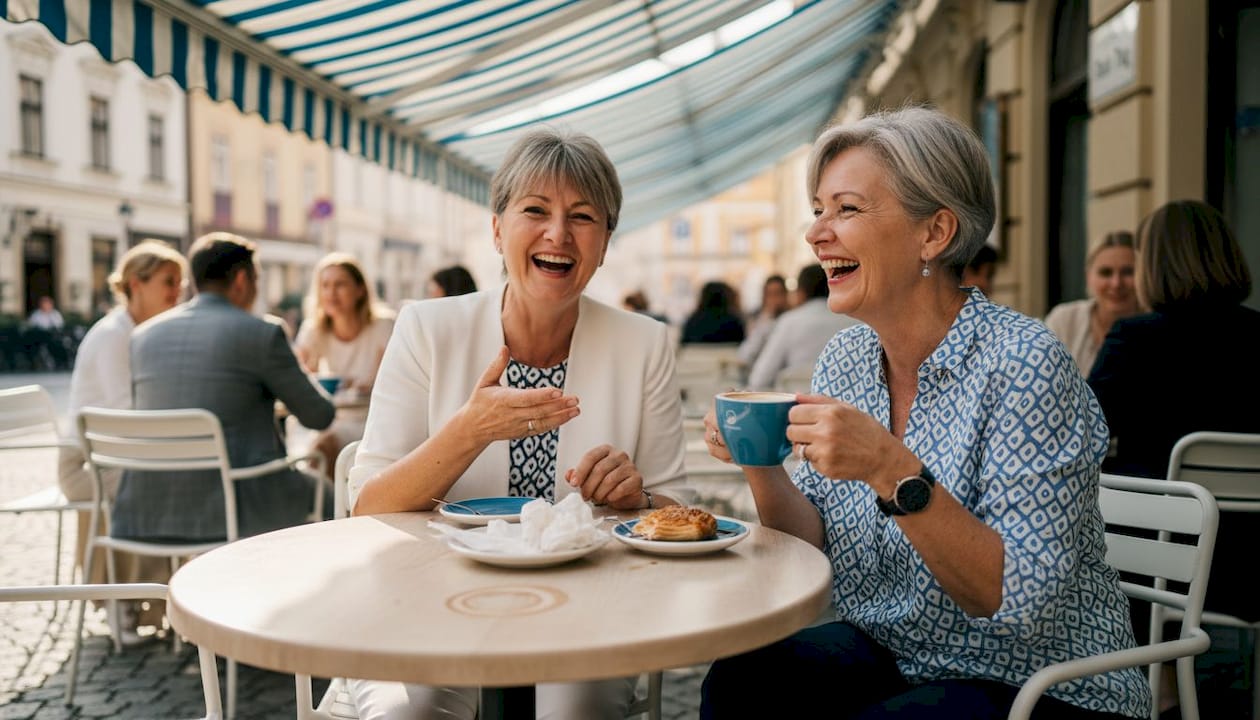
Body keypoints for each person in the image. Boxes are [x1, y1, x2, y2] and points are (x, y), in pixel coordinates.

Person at [699, 107, 1148, 719]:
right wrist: (759, 459)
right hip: (902, 656)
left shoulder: (1023, 362)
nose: (816, 233)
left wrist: (891, 469)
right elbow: (808, 545)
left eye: (847, 209)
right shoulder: (848, 357)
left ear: (934, 233)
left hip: (1041, 683)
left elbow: (1013, 600)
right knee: (744, 678)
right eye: (818, 210)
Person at [348, 128, 688, 720]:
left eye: (583, 217)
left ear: (605, 243)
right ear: (498, 227)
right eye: (535, 210)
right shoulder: (427, 329)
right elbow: (369, 508)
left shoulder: (645, 343)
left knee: (573, 710)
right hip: (431, 604)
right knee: (410, 712)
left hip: (588, 612)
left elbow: (672, 506)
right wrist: (467, 432)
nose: (558, 233)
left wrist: (637, 497)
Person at [1088, 201, 1258, 715]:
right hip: (1251, 557)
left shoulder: (1135, 339)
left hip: (1166, 567)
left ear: (1154, 265)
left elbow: (1081, 434)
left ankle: (1142, 686)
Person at [116, 232, 335, 542]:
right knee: (331, 495)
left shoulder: (142, 337)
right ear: (243, 280)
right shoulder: (263, 333)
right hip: (238, 503)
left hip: (149, 510)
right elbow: (319, 415)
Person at [58, 240, 187, 637]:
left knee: (174, 477)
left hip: (116, 452)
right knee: (161, 483)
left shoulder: (141, 331)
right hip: (84, 463)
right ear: (136, 283)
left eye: (180, 283)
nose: (177, 292)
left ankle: (157, 597)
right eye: (168, 281)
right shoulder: (116, 335)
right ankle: (121, 598)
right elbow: (124, 411)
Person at [293, 252, 396, 471]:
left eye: (340, 285)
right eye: (325, 285)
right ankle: (329, 503)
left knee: (321, 448)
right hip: (334, 419)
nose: (331, 294)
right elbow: (298, 378)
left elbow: (387, 380)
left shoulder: (383, 327)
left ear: (360, 290)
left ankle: (328, 504)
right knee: (317, 449)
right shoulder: (314, 330)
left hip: (373, 421)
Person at [745, 264, 859, 391]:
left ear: (801, 292)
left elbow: (759, 379)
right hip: (845, 406)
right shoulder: (855, 321)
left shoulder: (789, 322)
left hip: (795, 405)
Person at [1044, 232, 1138, 375]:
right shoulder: (1064, 320)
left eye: (1128, 272)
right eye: (1106, 273)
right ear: (1088, 277)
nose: (1116, 283)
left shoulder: (1156, 326)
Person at [736, 274, 790, 368]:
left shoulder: (793, 319)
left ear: (786, 295)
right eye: (769, 294)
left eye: (777, 294)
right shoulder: (756, 319)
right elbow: (746, 354)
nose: (774, 299)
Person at [680, 280, 745, 344]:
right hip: (725, 354)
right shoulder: (735, 322)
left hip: (697, 354)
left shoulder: (692, 321)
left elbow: (684, 343)